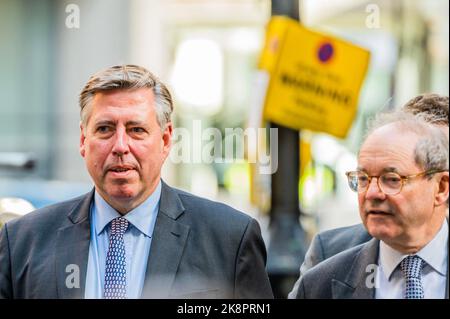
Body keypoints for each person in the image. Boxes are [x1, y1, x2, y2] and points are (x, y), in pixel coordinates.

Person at [0, 65, 273, 299]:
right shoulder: (23, 242)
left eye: (136, 130)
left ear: (165, 141)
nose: (120, 146)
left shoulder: (229, 239)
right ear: (84, 141)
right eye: (105, 129)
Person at [288, 93, 449, 298]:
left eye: (392, 179)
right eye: (363, 178)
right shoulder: (319, 284)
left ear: (441, 186)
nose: (372, 193)